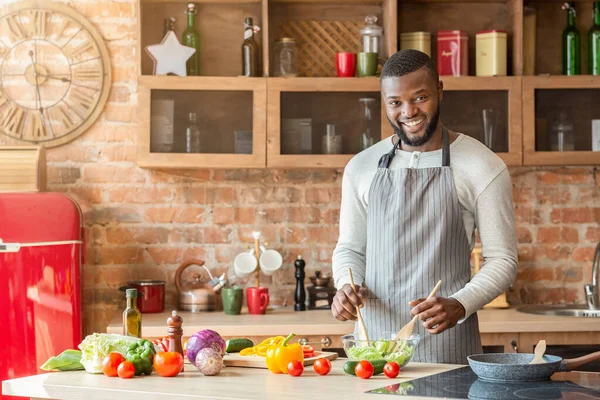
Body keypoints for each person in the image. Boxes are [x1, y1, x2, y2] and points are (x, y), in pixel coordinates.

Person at [331, 49, 518, 364]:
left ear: (440, 91)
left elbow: (502, 259)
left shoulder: (482, 165)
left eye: (419, 98)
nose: (408, 112)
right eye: (395, 102)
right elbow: (350, 247)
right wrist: (346, 286)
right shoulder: (361, 167)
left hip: (447, 347)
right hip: (374, 352)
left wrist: (460, 304)